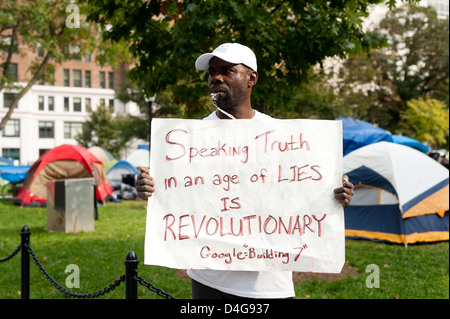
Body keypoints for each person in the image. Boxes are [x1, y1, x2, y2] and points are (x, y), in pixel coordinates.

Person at [136, 43, 354, 299]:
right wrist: (148, 188)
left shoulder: (283, 137)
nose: (215, 77)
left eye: (227, 70)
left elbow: (305, 192)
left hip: (270, 284)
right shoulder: (186, 141)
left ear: (252, 78)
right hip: (209, 280)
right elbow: (173, 196)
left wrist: (336, 196)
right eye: (212, 72)